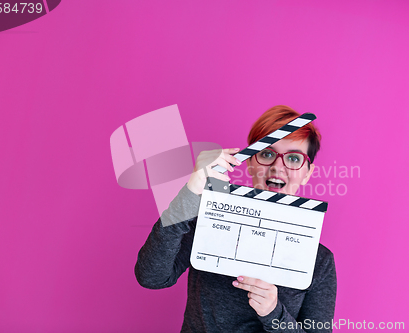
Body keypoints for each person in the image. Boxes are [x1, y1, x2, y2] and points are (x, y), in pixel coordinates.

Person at [135, 105, 337, 332]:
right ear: (250, 162)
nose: (277, 167)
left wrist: (274, 313)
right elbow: (151, 276)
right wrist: (189, 194)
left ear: (307, 173)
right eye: (267, 154)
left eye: (293, 158)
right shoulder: (209, 222)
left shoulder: (320, 262)